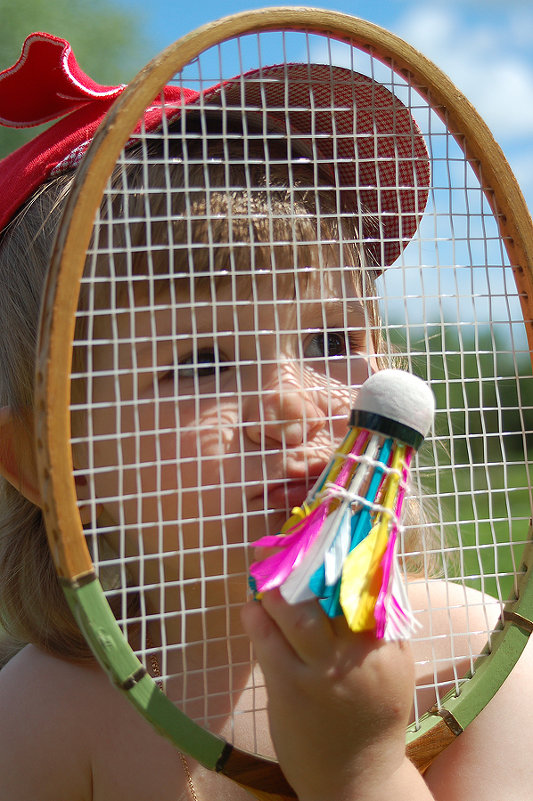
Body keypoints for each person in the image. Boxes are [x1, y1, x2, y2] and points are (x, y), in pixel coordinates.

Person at [0, 30, 532, 801]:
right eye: (200, 362)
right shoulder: (45, 715)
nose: (289, 403)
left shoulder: (471, 655)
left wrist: (364, 770)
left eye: (328, 339)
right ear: (46, 464)